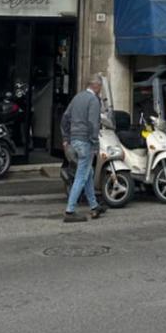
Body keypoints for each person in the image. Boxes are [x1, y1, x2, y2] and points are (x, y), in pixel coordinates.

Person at [61, 75, 105, 222]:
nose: (101, 90)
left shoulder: (77, 97)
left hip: (74, 140)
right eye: (100, 87)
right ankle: (70, 211)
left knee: (88, 173)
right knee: (81, 176)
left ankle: (94, 205)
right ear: (96, 86)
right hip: (86, 141)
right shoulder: (93, 100)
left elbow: (65, 118)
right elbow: (93, 123)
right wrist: (95, 143)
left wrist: (66, 138)